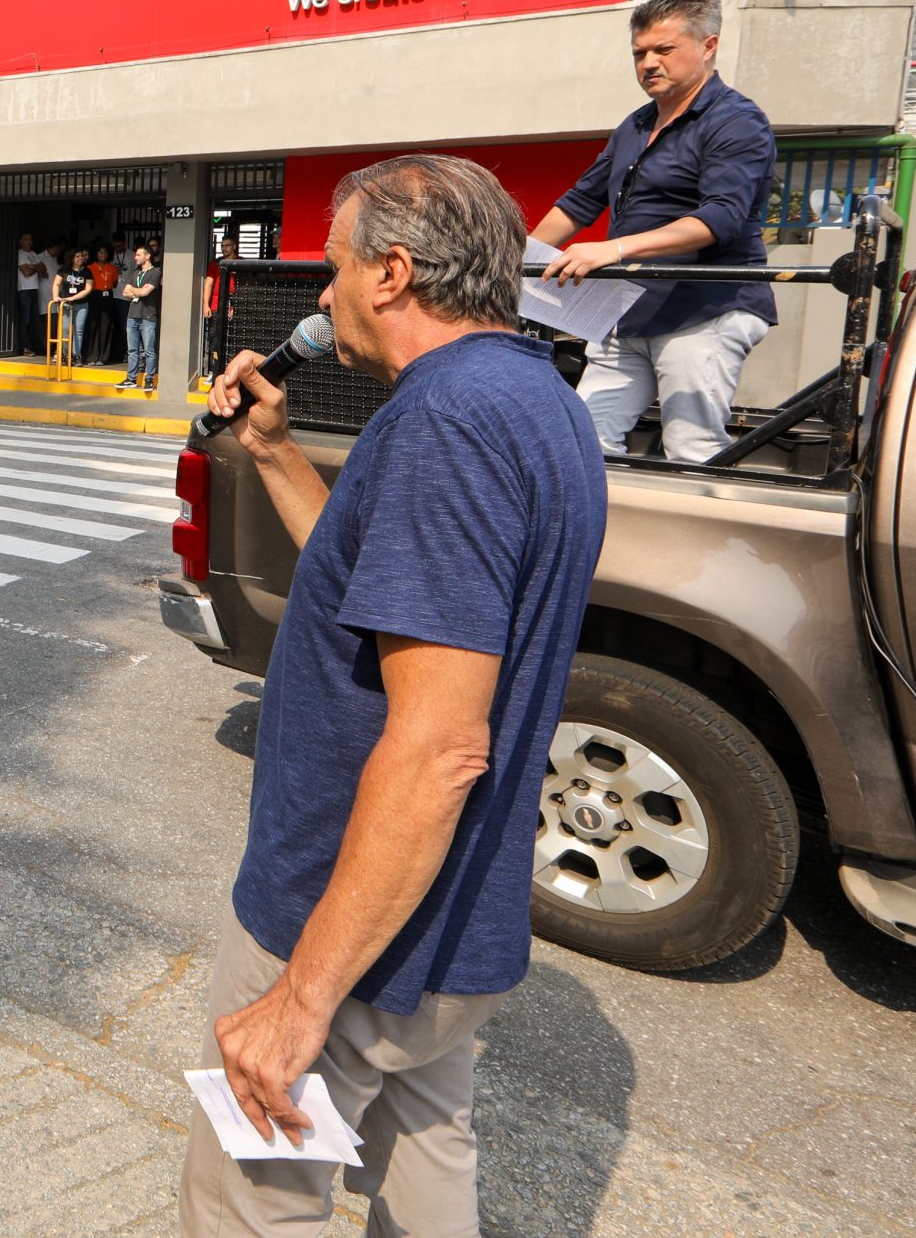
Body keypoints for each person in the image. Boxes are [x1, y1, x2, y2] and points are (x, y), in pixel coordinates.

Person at [184, 156, 605, 1237]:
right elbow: (390, 600)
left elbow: (437, 748)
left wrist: (301, 995)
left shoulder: (445, 425)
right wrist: (273, 455)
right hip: (446, 919)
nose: (320, 300)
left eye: (332, 272)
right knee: (426, 1153)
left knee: (255, 1197)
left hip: (349, 918)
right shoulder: (529, 399)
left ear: (393, 273)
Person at [532, 0, 780, 462]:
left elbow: (721, 218)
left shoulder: (737, 121)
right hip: (628, 310)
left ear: (708, 46)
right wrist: (511, 261)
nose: (649, 63)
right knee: (583, 445)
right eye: (639, 53)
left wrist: (615, 249)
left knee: (692, 449)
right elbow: (579, 203)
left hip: (704, 309)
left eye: (664, 49)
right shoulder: (635, 125)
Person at [120, 242, 163, 392]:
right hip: (132, 315)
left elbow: (144, 293)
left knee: (149, 350)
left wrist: (134, 290)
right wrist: (137, 290)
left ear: (147, 256)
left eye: (138, 255)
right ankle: (131, 378)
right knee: (132, 350)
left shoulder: (155, 273)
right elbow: (124, 292)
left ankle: (149, 379)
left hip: (148, 316)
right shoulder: (135, 273)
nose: (135, 258)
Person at [50, 247, 93, 366]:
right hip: (65, 303)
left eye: (82, 256)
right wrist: (55, 297)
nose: (80, 258)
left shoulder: (87, 271)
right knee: (65, 330)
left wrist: (73, 298)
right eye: (77, 256)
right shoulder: (64, 269)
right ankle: (64, 354)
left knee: (78, 330)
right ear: (72, 258)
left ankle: (76, 355)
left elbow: (88, 289)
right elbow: (56, 284)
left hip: (81, 304)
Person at [87, 243, 122, 366]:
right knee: (93, 325)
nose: (103, 255)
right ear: (95, 254)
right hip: (94, 296)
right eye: (100, 252)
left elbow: (115, 283)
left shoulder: (112, 268)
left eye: (105, 252)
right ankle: (92, 356)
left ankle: (103, 357)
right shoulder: (90, 267)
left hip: (108, 296)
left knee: (106, 326)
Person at [15, 230, 49, 339]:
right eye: (25, 240)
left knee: (34, 319)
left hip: (34, 289)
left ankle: (33, 343)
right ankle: (25, 346)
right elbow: (27, 273)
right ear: (20, 241)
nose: (28, 242)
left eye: (30, 240)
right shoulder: (20, 254)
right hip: (24, 289)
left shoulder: (33, 254)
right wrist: (36, 267)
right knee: (25, 319)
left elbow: (44, 270)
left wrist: (32, 266)